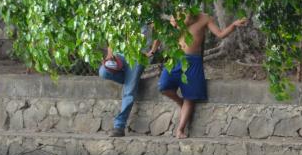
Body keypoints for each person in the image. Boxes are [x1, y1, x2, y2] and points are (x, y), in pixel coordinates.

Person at [161, 11, 248, 139]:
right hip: (176, 57)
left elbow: (220, 34)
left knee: (190, 97)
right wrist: (174, 25)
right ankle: (181, 103)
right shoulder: (177, 15)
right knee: (163, 87)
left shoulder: (205, 18)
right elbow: (168, 37)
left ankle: (180, 130)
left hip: (193, 61)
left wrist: (233, 25)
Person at [98, 25, 159, 137]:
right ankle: (131, 81)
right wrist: (110, 53)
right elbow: (113, 34)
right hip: (120, 54)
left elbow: (158, 35)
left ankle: (119, 126)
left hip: (138, 57)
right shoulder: (126, 9)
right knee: (103, 72)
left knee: (129, 91)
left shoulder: (150, 15)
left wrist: (152, 52)